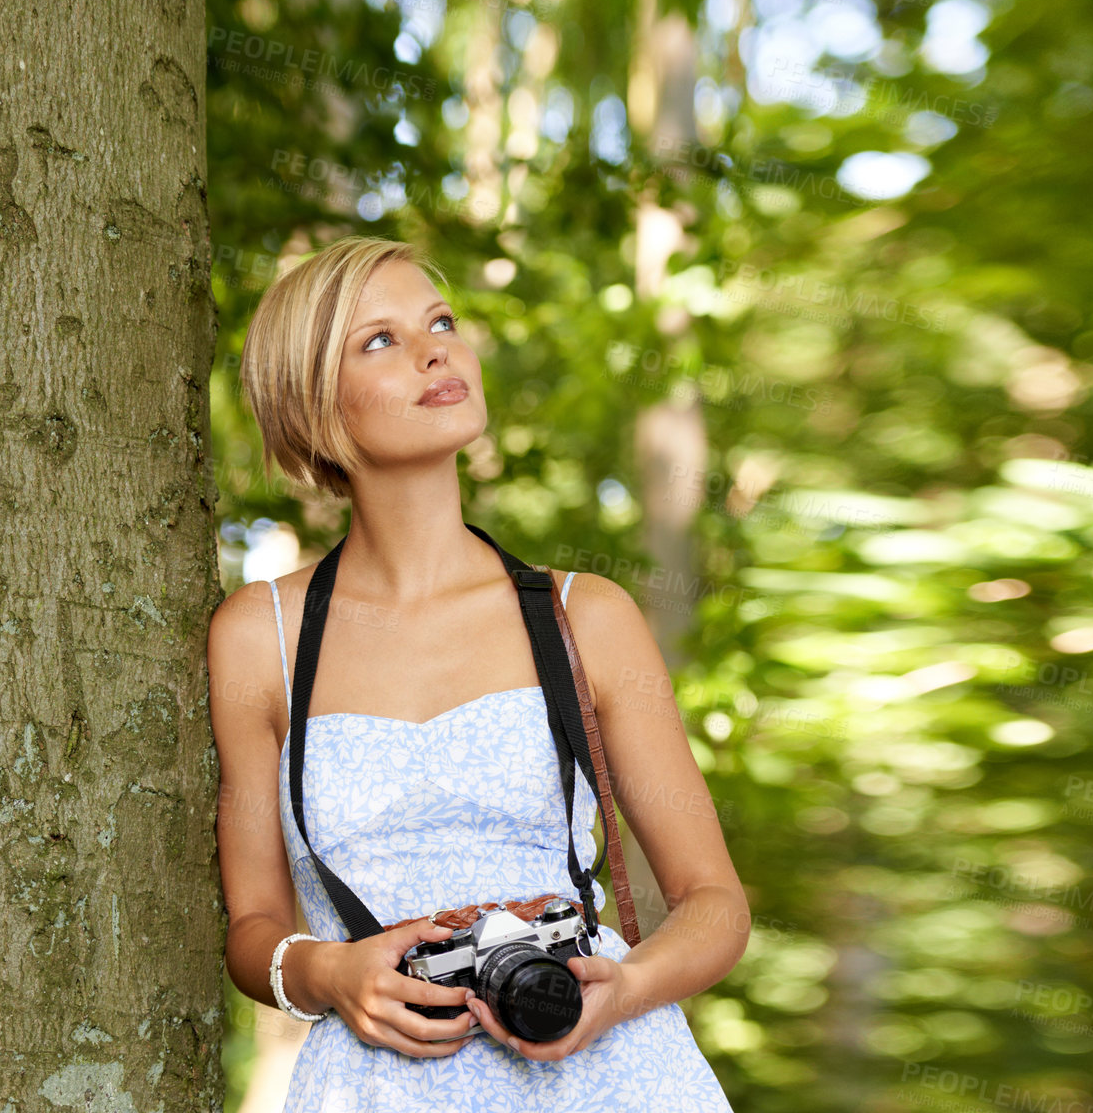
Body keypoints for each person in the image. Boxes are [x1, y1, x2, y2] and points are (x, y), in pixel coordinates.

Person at [207, 235, 747, 1110]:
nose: (436, 351)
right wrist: (331, 972)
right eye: (378, 341)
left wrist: (627, 991)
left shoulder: (585, 617)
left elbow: (715, 903)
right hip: (378, 1088)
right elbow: (253, 931)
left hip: (608, 1075)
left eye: (441, 322)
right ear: (312, 402)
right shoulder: (259, 635)